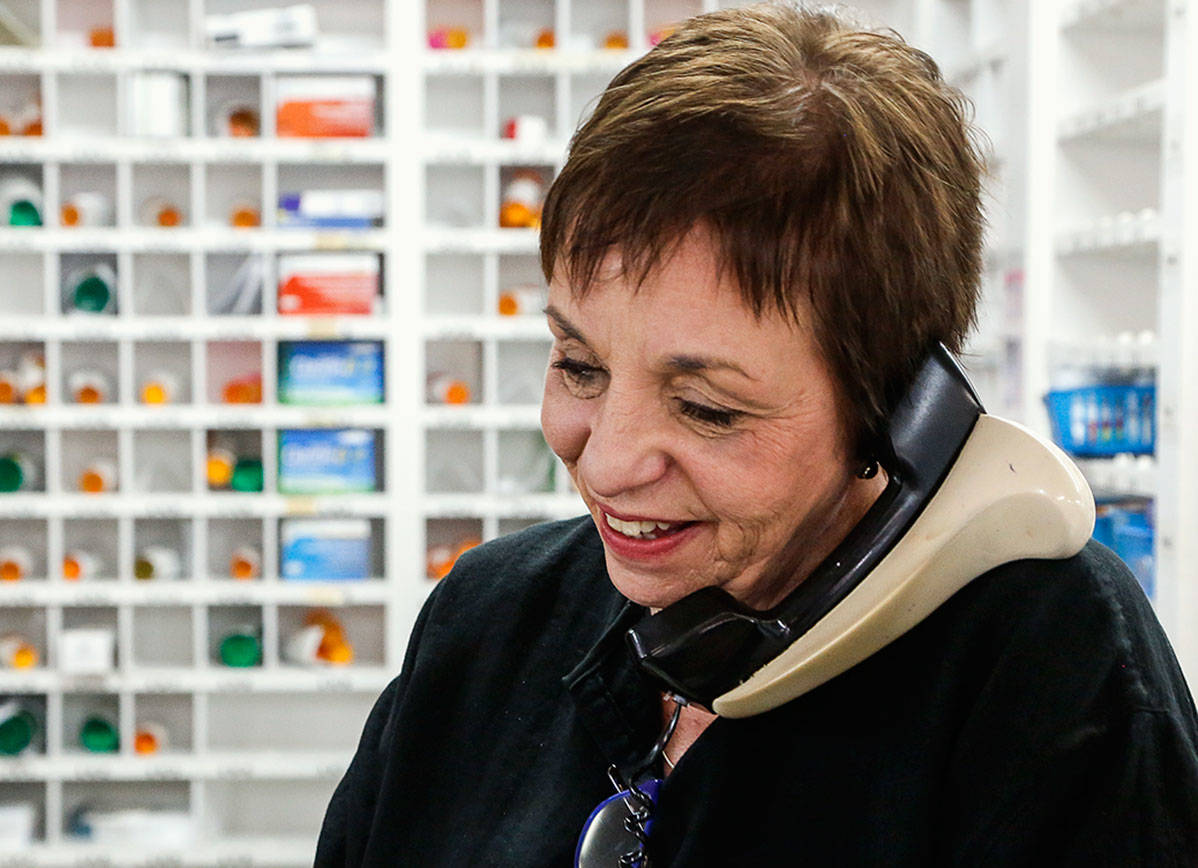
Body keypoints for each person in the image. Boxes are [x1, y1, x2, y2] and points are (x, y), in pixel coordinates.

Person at [315, 3, 1198, 864]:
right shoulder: (486, 620)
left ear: (893, 410)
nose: (610, 463)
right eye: (580, 365)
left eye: (706, 408)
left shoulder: (1054, 674)